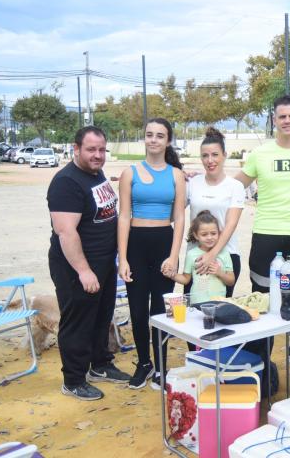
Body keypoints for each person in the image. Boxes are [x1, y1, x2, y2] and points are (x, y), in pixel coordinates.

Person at [235, 95, 290, 373]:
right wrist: (200, 180)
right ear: (274, 119)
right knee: (262, 294)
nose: (287, 121)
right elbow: (236, 185)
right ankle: (261, 355)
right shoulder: (261, 154)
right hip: (266, 233)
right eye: (281, 116)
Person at [48, 125, 131, 401]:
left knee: (101, 317)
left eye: (101, 150)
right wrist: (83, 271)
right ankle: (73, 379)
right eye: (90, 149)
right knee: (78, 322)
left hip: (104, 263)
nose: (97, 155)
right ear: (76, 149)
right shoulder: (66, 182)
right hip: (76, 268)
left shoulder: (96, 174)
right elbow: (65, 232)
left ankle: (101, 365)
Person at [117, 118, 186, 389]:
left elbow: (179, 218)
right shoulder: (129, 173)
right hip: (136, 244)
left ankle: (161, 366)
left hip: (163, 244)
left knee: (160, 310)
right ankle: (144, 363)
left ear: (168, 140)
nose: (154, 140)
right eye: (149, 135)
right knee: (136, 309)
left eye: (160, 135)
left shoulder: (176, 175)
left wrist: (173, 255)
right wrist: (122, 258)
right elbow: (124, 217)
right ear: (143, 138)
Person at [186, 127, 245, 293]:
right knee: (193, 311)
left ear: (224, 156)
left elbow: (230, 225)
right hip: (196, 256)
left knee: (221, 311)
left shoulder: (235, 186)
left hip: (225, 256)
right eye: (205, 155)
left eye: (215, 155)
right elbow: (173, 213)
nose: (210, 160)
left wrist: (212, 256)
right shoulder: (192, 183)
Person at [173, 210, 236, 303]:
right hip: (197, 303)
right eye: (204, 234)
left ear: (219, 233)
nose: (209, 237)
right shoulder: (191, 254)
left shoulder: (224, 253)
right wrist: (172, 275)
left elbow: (231, 281)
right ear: (196, 235)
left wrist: (220, 273)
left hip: (218, 302)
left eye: (213, 233)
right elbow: (186, 279)